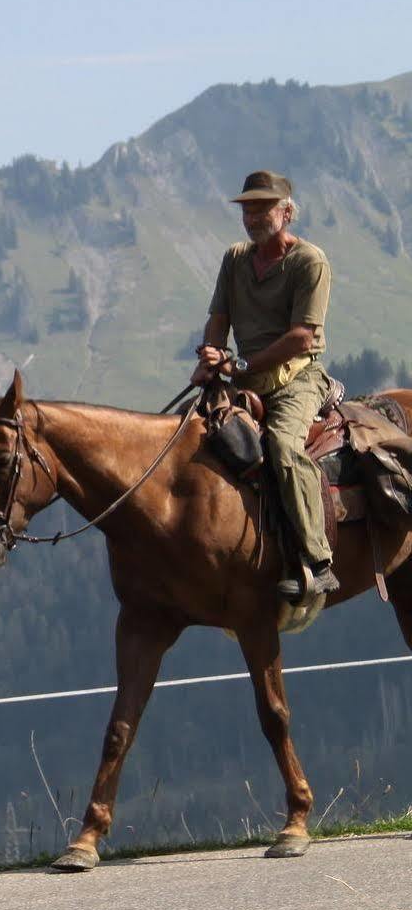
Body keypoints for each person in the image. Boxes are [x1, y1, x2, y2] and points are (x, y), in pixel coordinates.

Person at [191, 170, 337, 612]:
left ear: (287, 212)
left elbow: (301, 337)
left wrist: (242, 363)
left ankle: (317, 559)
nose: (253, 217)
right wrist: (211, 357)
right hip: (244, 376)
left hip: (298, 378)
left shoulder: (309, 261)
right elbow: (219, 318)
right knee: (193, 439)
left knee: (282, 446)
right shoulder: (235, 259)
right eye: (247, 209)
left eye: (262, 207)